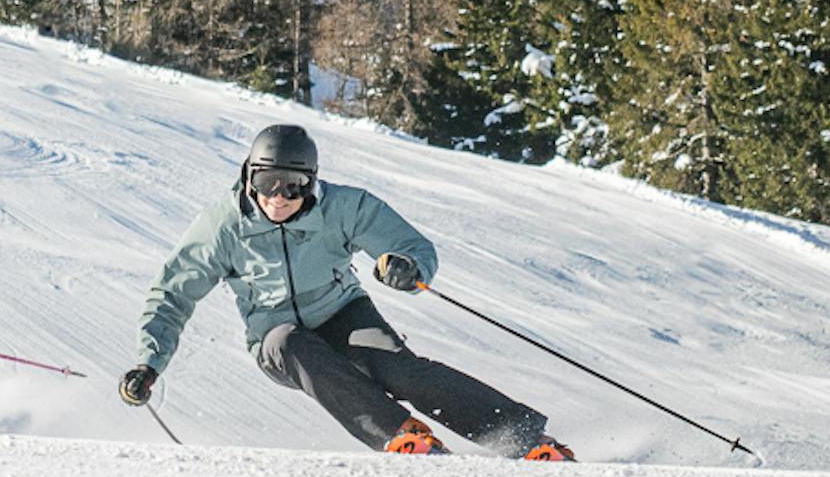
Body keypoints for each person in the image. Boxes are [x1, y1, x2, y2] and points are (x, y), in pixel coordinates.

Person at [118, 123, 569, 459]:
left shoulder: (343, 207)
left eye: (291, 186)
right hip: (276, 335)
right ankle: (403, 436)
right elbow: (174, 293)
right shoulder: (223, 226)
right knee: (295, 346)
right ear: (248, 178)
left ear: (311, 183)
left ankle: (524, 439)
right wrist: (149, 361)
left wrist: (405, 267)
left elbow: (411, 246)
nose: (277, 197)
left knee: (400, 371)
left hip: (344, 314)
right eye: (264, 184)